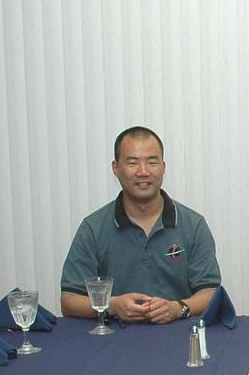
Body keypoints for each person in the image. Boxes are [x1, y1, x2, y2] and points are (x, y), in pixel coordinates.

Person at [60, 126, 220, 323]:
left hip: (177, 337)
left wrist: (178, 308)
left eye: (152, 162)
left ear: (163, 167)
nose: (143, 172)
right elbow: (69, 300)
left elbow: (210, 292)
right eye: (132, 163)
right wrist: (112, 306)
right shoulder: (93, 228)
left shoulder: (193, 225)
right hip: (113, 341)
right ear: (116, 168)